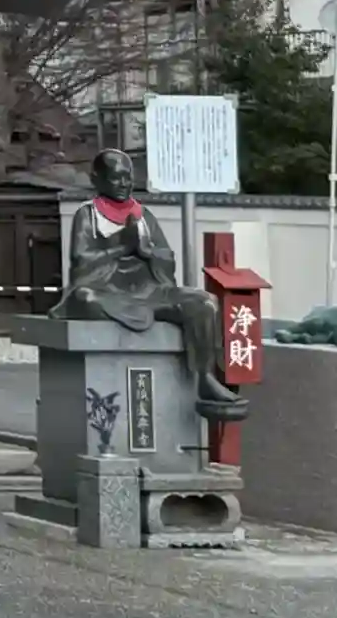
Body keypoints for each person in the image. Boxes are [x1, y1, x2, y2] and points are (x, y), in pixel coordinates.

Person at [57, 148, 245, 421]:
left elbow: (166, 258)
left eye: (128, 177)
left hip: (149, 290)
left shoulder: (143, 216)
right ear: (96, 179)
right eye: (116, 177)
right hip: (106, 290)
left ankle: (205, 377)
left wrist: (147, 252)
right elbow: (82, 261)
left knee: (203, 302)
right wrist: (122, 247)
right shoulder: (88, 215)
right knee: (86, 300)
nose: (123, 184)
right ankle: (137, 315)